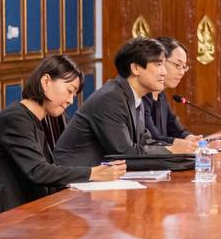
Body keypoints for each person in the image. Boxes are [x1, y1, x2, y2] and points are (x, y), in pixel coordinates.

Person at [0, 55, 126, 218]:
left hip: (19, 209)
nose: (71, 101)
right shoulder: (15, 119)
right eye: (69, 91)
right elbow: (38, 172)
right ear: (46, 82)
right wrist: (94, 173)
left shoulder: (41, 118)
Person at [54, 37, 198, 167]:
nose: (164, 72)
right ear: (135, 68)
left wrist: (181, 149)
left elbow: (144, 142)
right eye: (158, 65)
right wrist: (171, 149)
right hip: (74, 182)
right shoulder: (111, 98)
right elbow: (125, 152)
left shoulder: (134, 96)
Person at [143, 36, 202, 145]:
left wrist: (196, 140)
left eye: (184, 67)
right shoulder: (141, 96)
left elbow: (176, 128)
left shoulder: (161, 95)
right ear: (160, 61)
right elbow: (154, 139)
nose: (182, 72)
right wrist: (185, 144)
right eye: (178, 65)